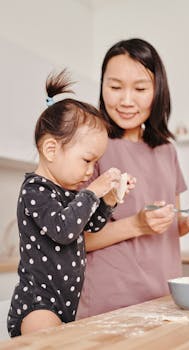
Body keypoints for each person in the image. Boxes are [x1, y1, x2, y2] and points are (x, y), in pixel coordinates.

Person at [76, 38, 189, 319]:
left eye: (140, 88)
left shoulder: (166, 150)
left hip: (164, 299)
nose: (126, 100)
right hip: (109, 305)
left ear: (157, 90)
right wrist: (137, 225)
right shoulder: (89, 146)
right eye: (115, 87)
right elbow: (74, 238)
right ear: (102, 87)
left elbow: (170, 223)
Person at [7, 69, 135, 337]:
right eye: (87, 160)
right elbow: (63, 229)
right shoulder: (35, 190)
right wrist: (92, 192)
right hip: (38, 304)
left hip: (65, 304)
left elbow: (92, 225)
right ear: (52, 150)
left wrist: (108, 199)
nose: (91, 171)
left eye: (95, 163)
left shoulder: (68, 191)